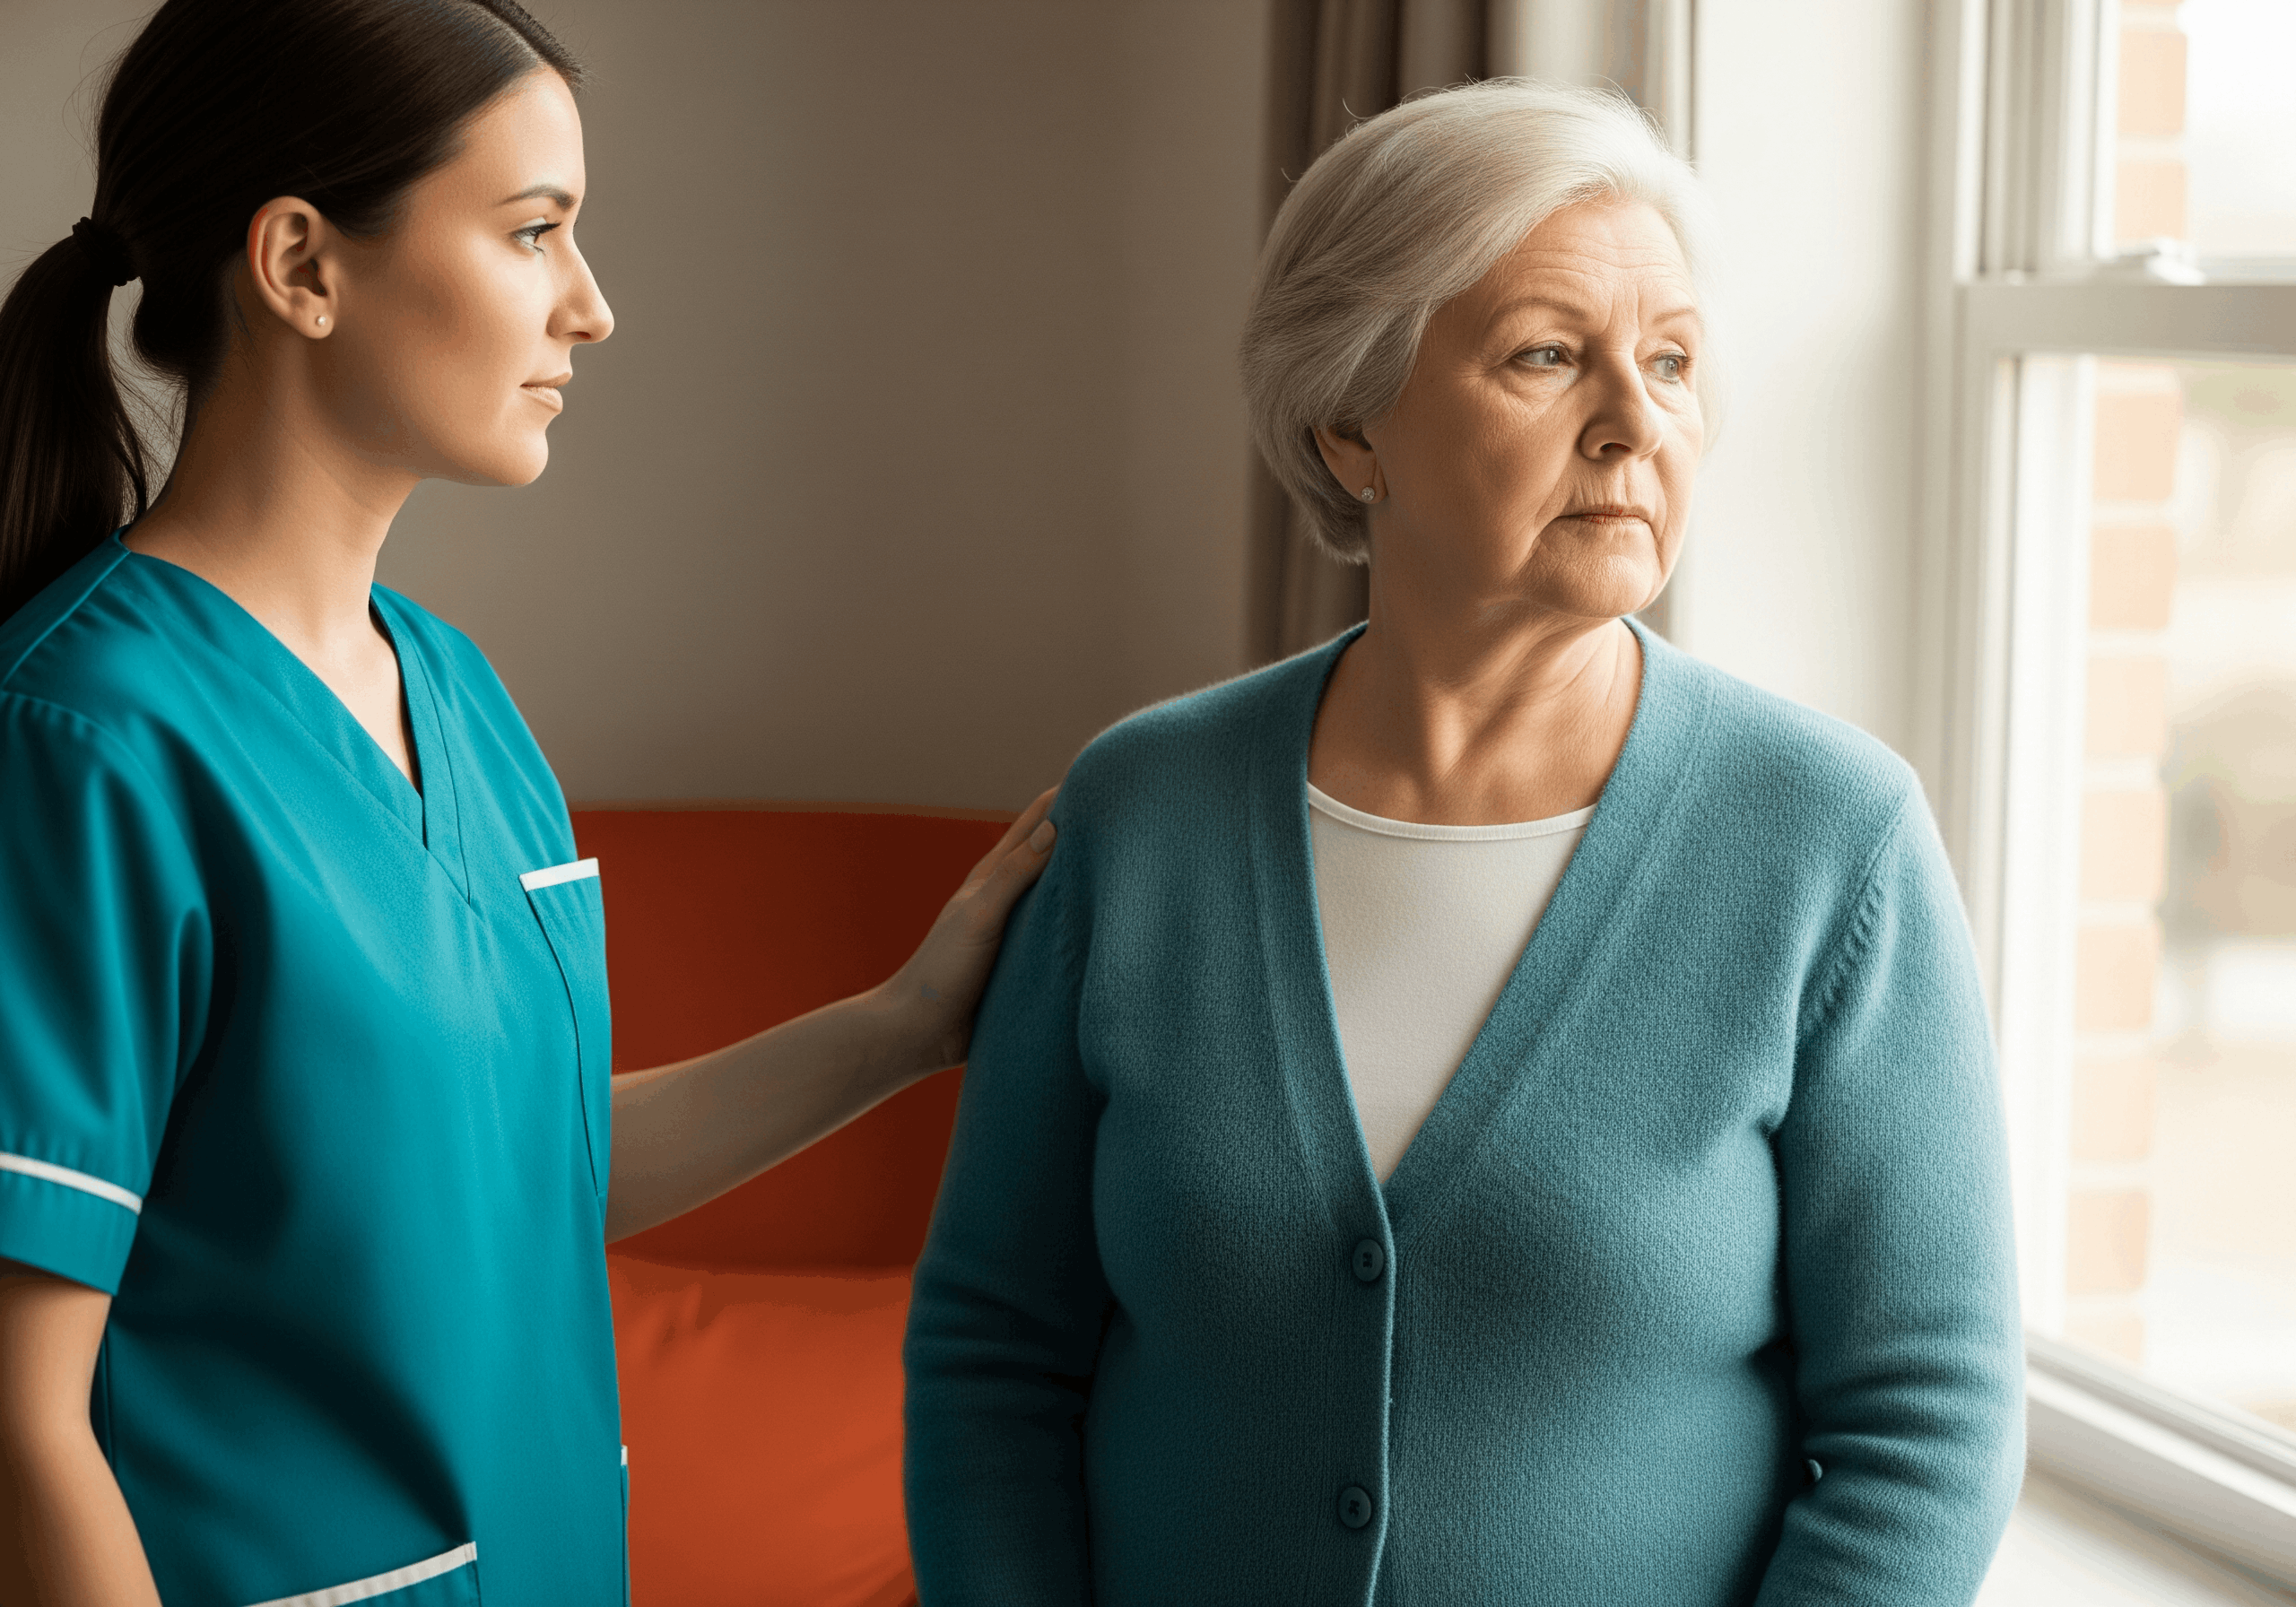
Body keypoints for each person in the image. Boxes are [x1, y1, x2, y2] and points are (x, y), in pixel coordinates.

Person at [904, 80, 2022, 1605]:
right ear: (1351, 428)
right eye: (1549, 356)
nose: (1637, 422)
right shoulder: (1139, 814)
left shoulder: (1834, 841)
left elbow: (1928, 1423)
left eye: (1675, 361)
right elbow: (995, 1348)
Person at [0, 4, 1054, 1603]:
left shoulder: (459, 698)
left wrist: (912, 1019)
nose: (593, 308)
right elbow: (22, 1421)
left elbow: (531, 1166)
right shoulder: (82, 739)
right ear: (301, 265)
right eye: (533, 232)